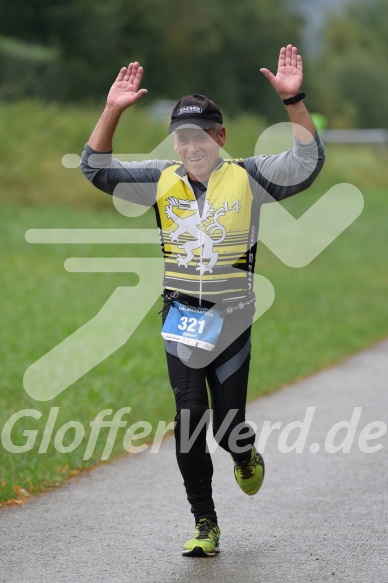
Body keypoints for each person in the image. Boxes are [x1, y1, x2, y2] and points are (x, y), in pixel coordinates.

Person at [80, 44, 325, 557]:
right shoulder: (159, 180)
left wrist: (293, 100)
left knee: (227, 424)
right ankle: (205, 523)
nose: (191, 146)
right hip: (181, 318)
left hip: (232, 320)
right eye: (182, 137)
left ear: (220, 137)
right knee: (189, 417)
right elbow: (96, 169)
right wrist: (112, 109)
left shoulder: (251, 177)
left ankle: (244, 454)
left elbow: (308, 160)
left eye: (200, 136)